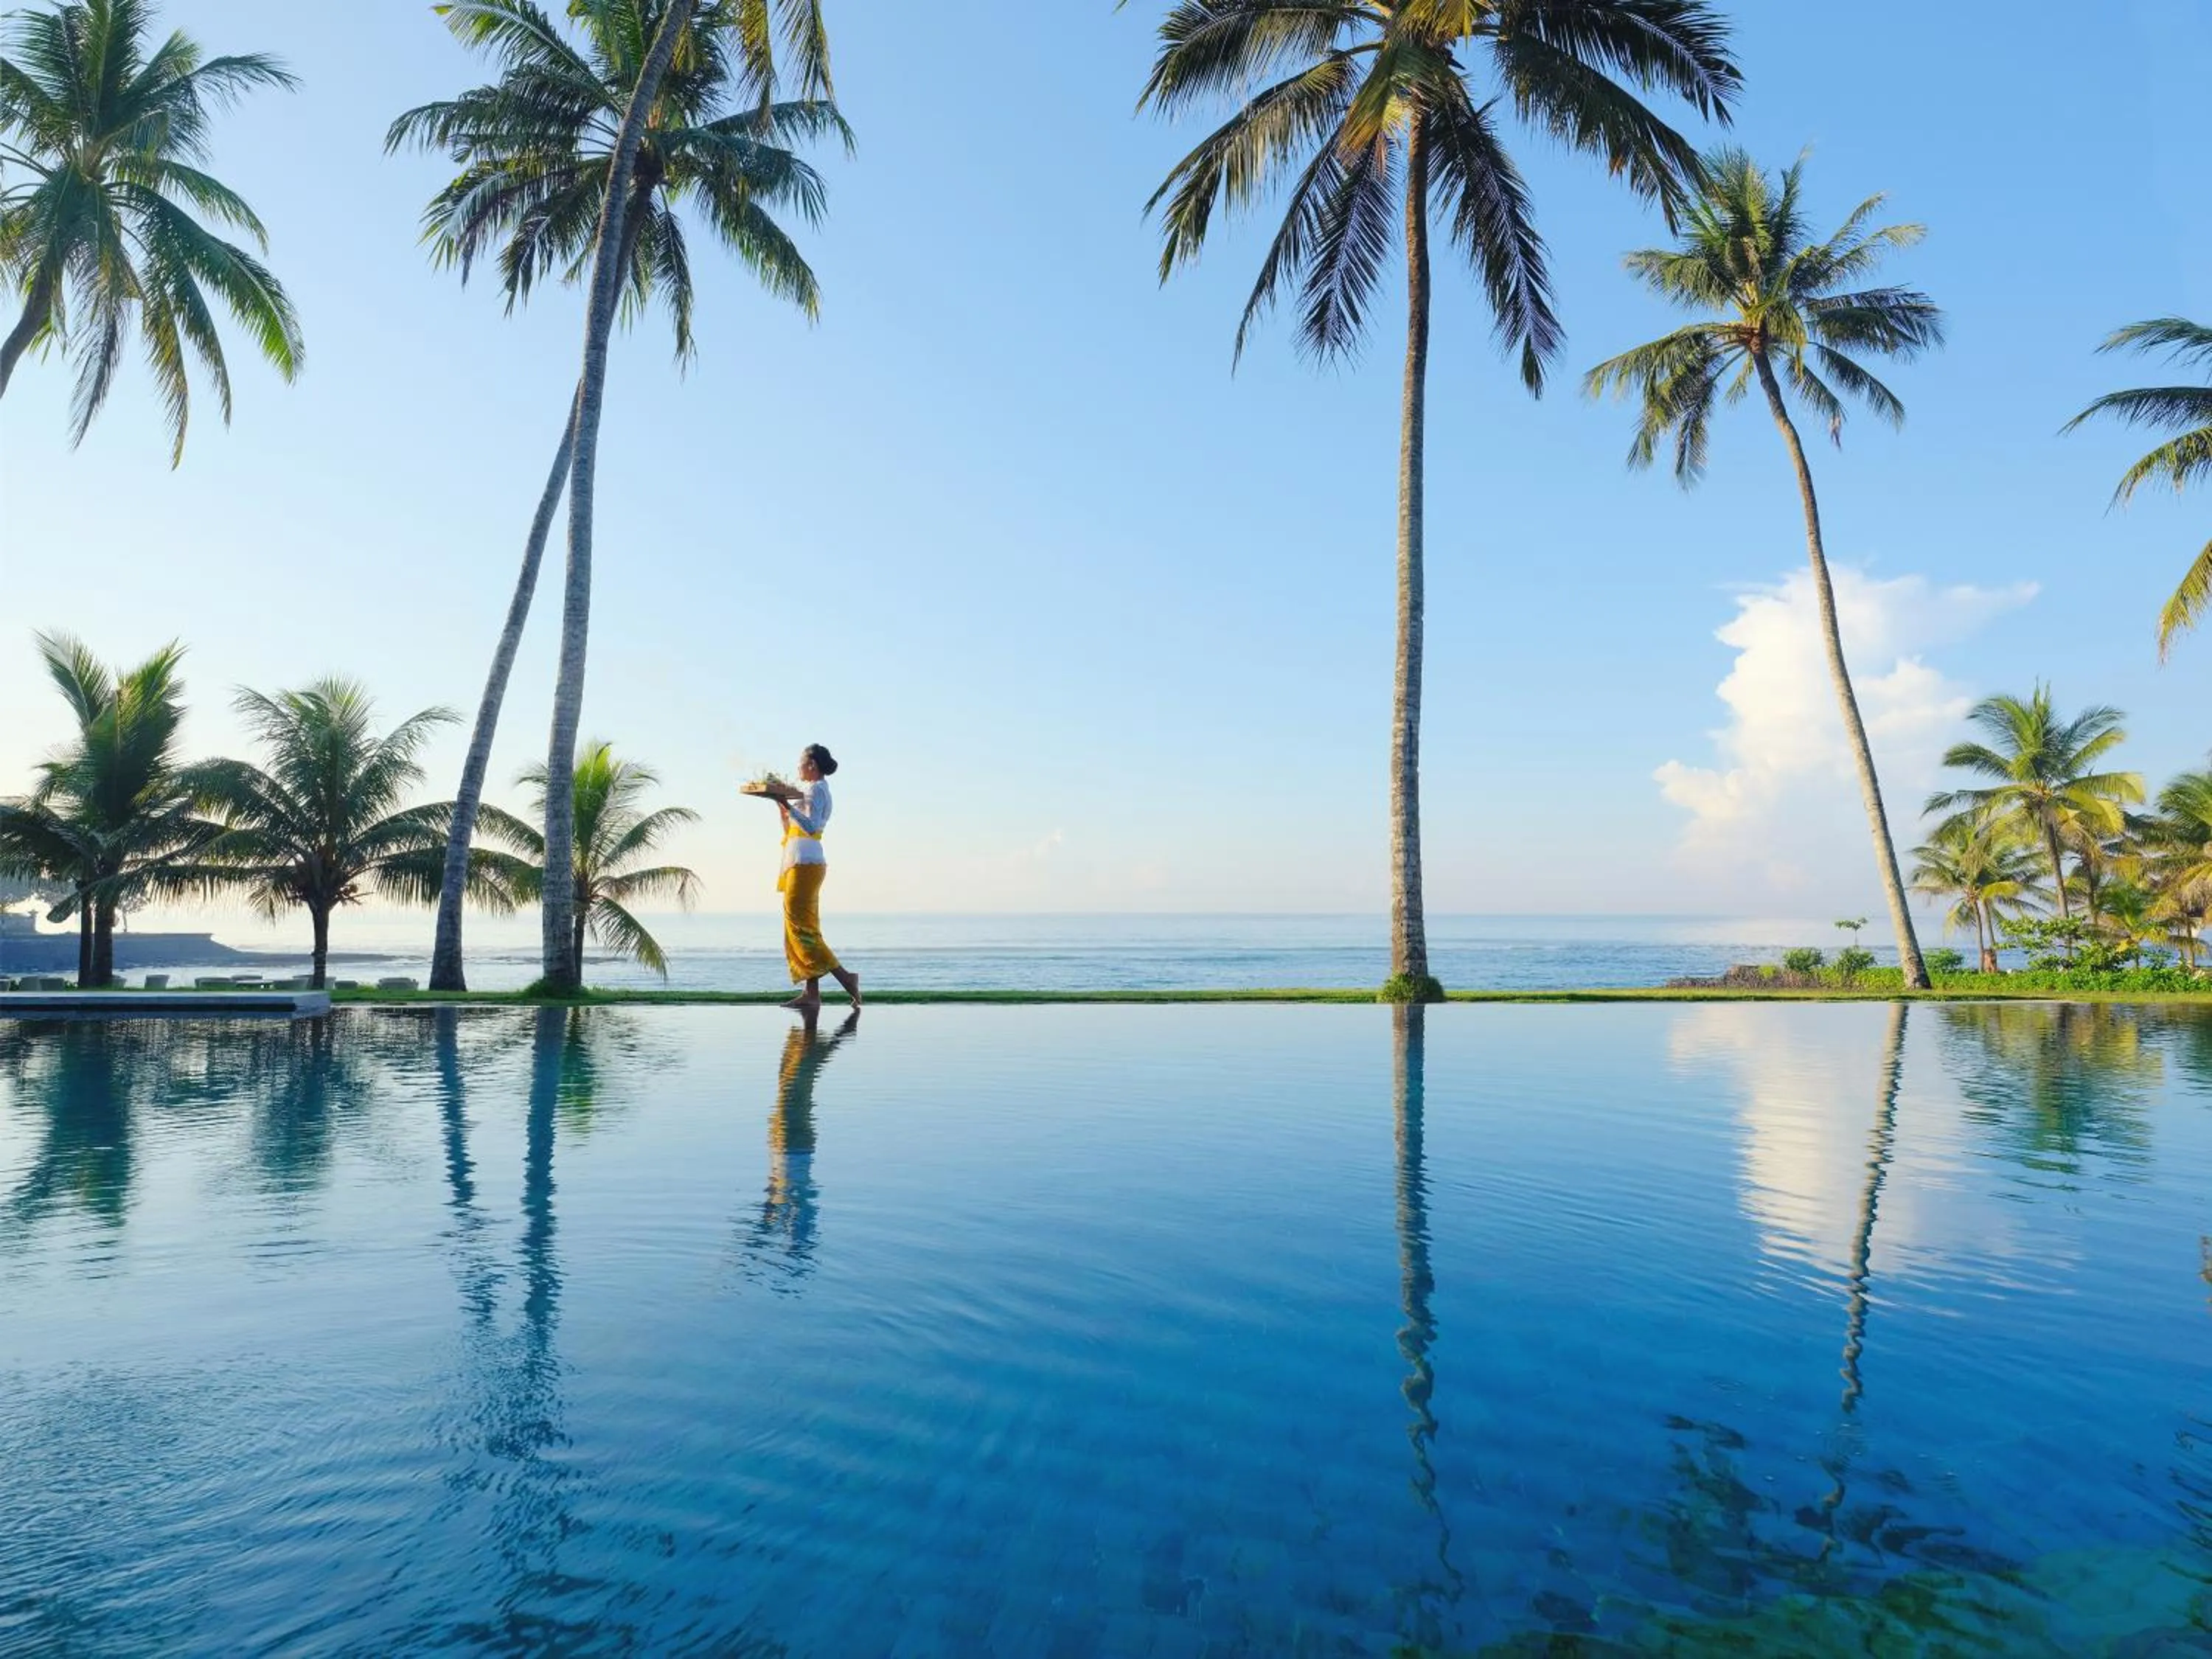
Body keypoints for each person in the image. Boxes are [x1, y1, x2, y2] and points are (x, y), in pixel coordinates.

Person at [761, 744, 860, 1014]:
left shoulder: (817, 790)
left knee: (802, 929)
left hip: (807, 863)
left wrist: (785, 804)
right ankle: (811, 993)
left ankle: (846, 978)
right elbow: (791, 827)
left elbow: (812, 826)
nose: (798, 768)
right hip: (801, 861)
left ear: (812, 765)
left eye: (801, 763)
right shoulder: (810, 791)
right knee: (800, 927)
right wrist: (780, 806)